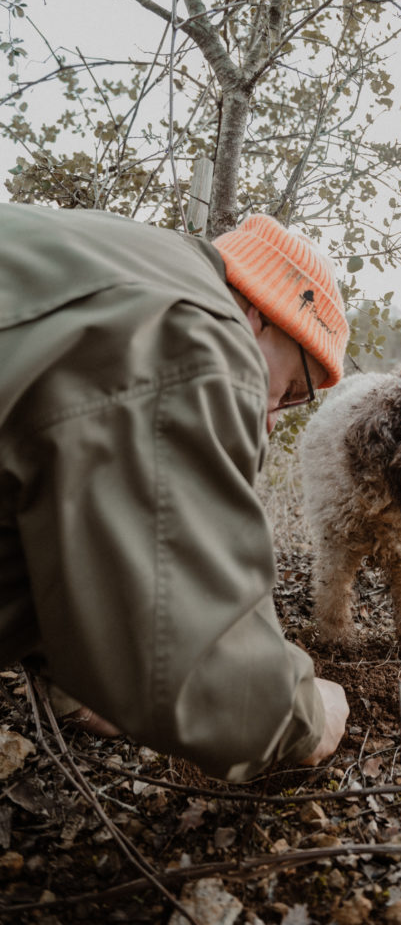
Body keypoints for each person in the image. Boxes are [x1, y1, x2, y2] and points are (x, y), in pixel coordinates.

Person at [0, 204, 350, 781]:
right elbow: (189, 657)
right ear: (257, 315)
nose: (270, 420)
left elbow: (42, 488)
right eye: (289, 390)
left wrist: (75, 670)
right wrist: (305, 714)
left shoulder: (121, 260)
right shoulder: (195, 340)